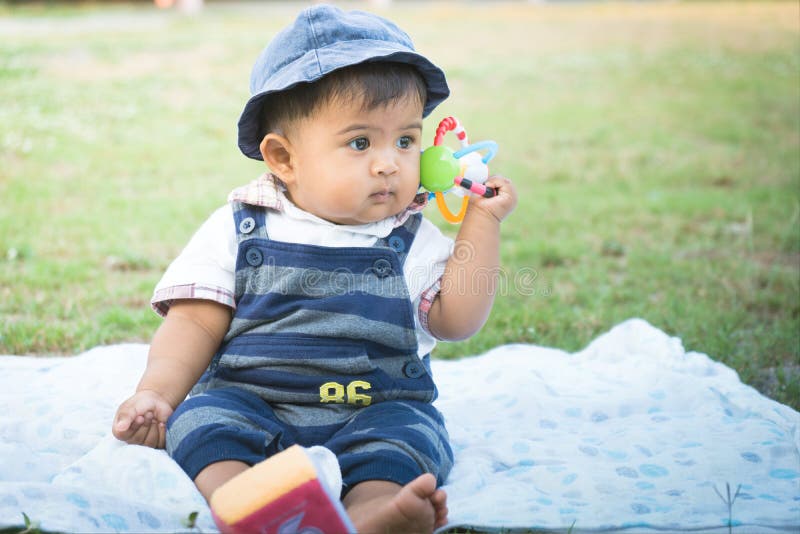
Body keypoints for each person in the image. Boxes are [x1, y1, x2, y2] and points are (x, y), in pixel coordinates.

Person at [112, 4, 516, 533]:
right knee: (202, 421)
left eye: (406, 140)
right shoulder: (240, 226)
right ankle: (246, 498)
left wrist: (481, 224)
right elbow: (192, 322)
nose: (388, 163)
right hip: (254, 401)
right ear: (283, 158)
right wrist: (157, 394)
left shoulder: (412, 237)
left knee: (406, 437)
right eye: (359, 142)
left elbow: (457, 320)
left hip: (374, 405)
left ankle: (374, 510)